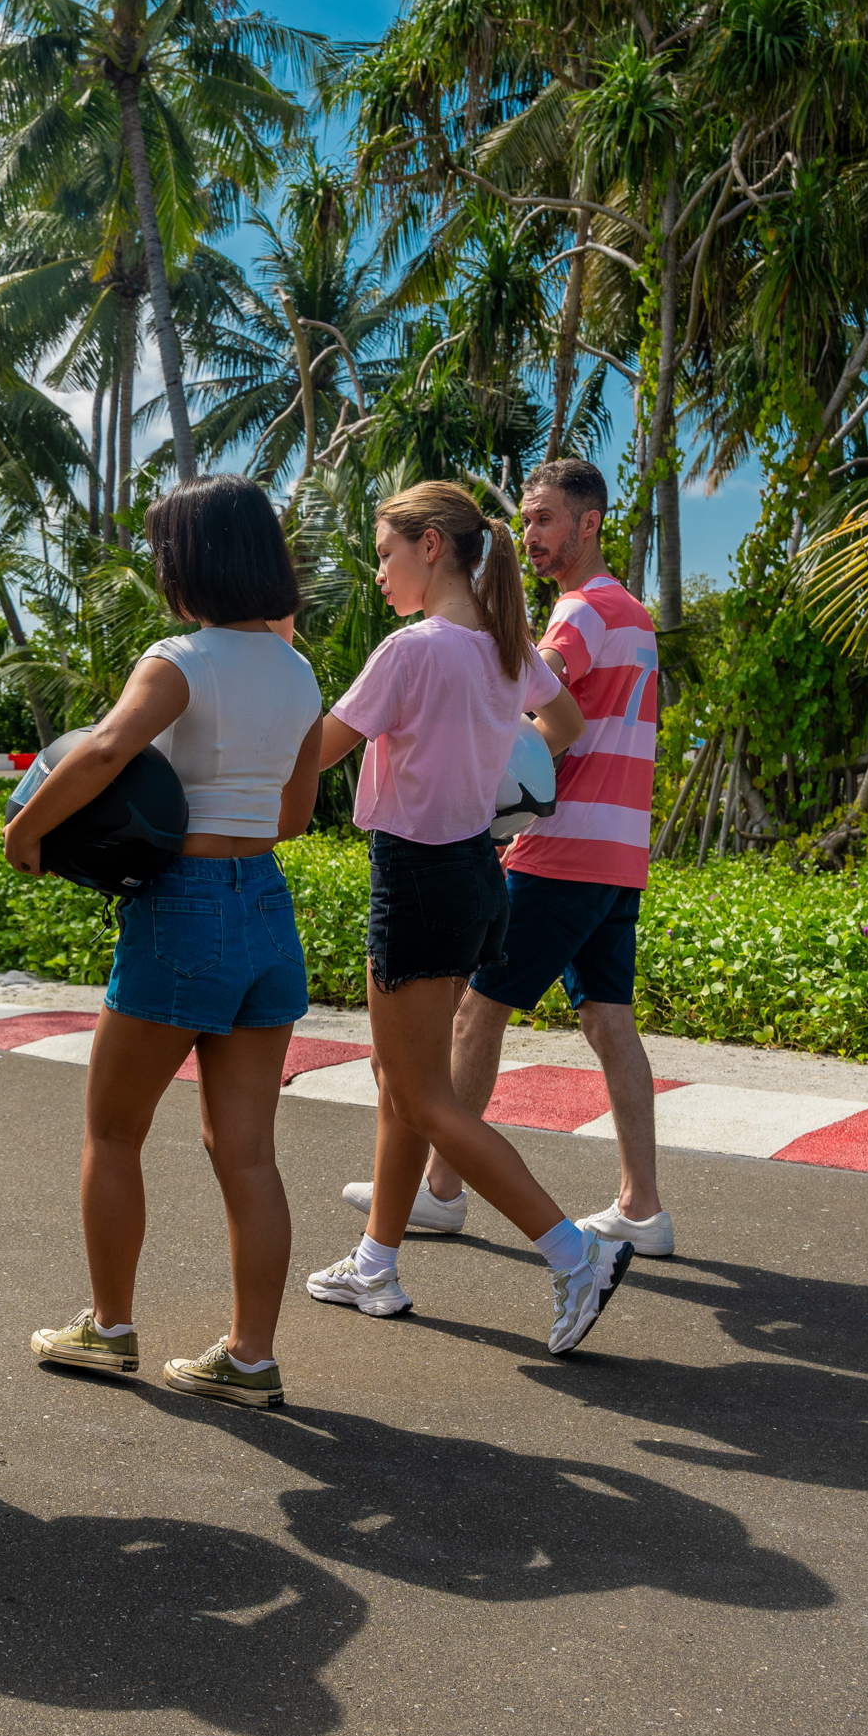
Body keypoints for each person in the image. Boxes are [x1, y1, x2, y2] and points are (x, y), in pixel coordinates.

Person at [292, 479, 633, 1356]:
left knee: (422, 1095)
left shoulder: (414, 651)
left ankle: (575, 1252)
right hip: (476, 871)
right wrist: (494, 769)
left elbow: (318, 752)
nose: (378, 574)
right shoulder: (504, 646)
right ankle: (376, 1262)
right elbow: (560, 719)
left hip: (412, 874)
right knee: (399, 1080)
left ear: (430, 547)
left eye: (384, 554)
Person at [6, 476, 326, 1410]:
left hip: (183, 905)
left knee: (114, 1129)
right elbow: (297, 816)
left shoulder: (177, 660)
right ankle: (250, 1357)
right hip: (266, 904)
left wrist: (25, 830)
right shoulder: (297, 673)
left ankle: (107, 1331)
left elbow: (104, 750)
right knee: (248, 1152)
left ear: (190, 564)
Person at [346, 458, 672, 1259]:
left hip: (560, 848)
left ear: (589, 523)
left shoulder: (580, 615)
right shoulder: (634, 611)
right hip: (622, 848)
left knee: (475, 1012)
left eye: (546, 520)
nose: (530, 537)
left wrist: (483, 771)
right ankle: (642, 1207)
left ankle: (443, 1190)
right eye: (525, 521)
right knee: (608, 1020)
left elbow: (524, 693)